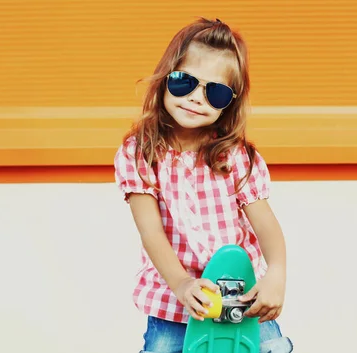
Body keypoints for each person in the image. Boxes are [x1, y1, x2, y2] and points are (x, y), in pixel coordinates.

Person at [114, 17, 293, 353]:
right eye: (184, 83)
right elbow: (151, 232)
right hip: (174, 302)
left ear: (231, 102)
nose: (196, 98)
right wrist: (182, 284)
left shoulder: (237, 156)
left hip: (239, 297)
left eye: (215, 92)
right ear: (165, 79)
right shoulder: (140, 153)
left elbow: (266, 224)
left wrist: (277, 275)